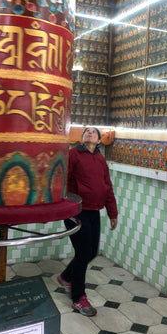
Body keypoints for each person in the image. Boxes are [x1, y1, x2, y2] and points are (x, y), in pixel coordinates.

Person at [57, 126, 118, 316]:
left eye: (94, 132)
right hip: (76, 210)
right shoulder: (73, 154)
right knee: (83, 254)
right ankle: (78, 298)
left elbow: (107, 187)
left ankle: (66, 276)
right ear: (82, 138)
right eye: (87, 132)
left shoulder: (100, 159)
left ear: (99, 141)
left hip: (94, 211)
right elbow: (61, 178)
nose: (89, 133)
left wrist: (112, 212)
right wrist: (61, 204)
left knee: (91, 252)